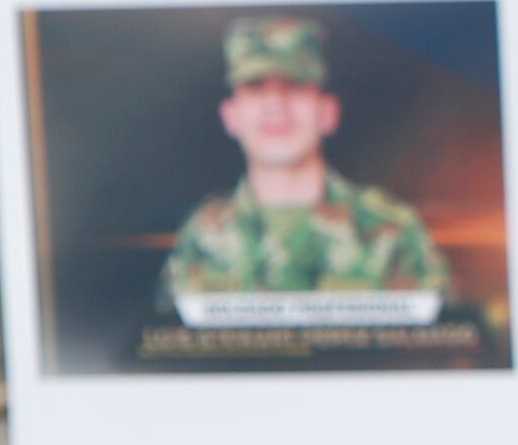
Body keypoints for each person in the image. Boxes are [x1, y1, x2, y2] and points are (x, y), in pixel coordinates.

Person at [156, 16, 449, 312]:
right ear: (231, 117)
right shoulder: (203, 238)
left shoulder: (391, 232)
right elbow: (170, 348)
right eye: (256, 87)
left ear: (327, 112)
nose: (276, 105)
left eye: (295, 86)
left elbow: (441, 346)